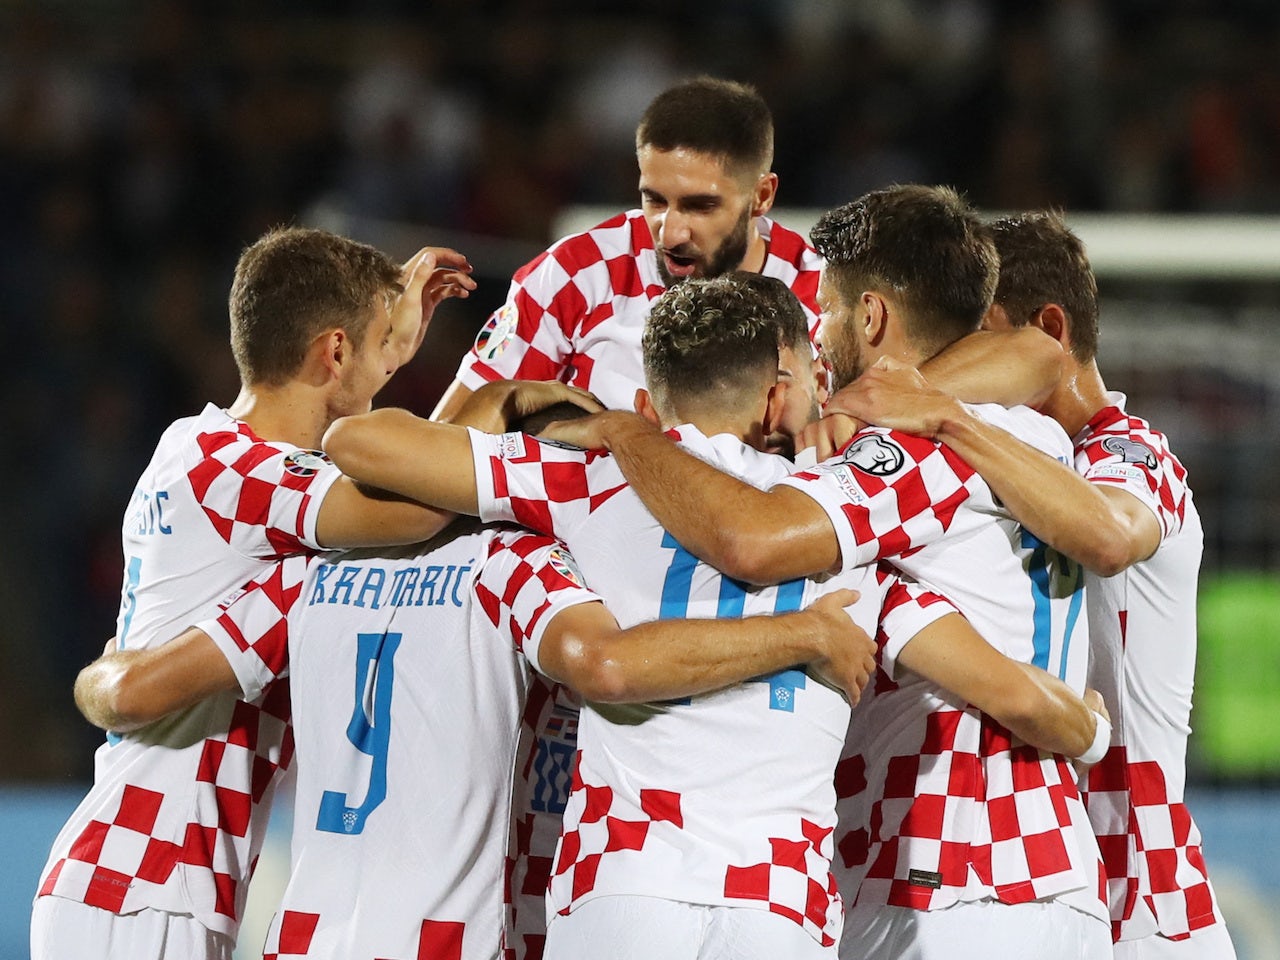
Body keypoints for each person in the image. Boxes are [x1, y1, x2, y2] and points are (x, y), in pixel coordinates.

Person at [321, 271, 1109, 958]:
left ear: (645, 398)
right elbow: (1041, 362)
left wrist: (519, 402)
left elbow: (358, 440)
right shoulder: (849, 510)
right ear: (780, 391)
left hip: (620, 886)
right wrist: (1087, 725)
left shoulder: (586, 480)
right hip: (777, 901)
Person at [516, 187, 1116, 958]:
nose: (819, 338)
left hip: (951, 877)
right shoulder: (1031, 435)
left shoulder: (909, 455)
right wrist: (1084, 725)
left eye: (826, 311)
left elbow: (756, 542)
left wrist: (631, 436)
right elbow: (1036, 353)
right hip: (1045, 872)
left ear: (868, 318)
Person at [29, 226, 585, 960]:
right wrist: (500, 401)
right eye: (381, 345)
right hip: (147, 879)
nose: (394, 365)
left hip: (132, 875)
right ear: (332, 352)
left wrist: (384, 340)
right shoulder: (243, 473)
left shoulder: (189, 447)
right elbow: (416, 506)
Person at [825, 211, 1236, 959]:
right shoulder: (986, 476)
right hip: (1051, 873)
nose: (969, 369)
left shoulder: (1128, 452)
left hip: (1145, 902)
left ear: (1045, 329)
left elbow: (1107, 536)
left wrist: (942, 416)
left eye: (981, 341)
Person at [429, 75, 826, 427]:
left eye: (700, 206)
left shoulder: (825, 299)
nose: (670, 234)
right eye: (654, 201)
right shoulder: (578, 274)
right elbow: (443, 446)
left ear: (761, 196)